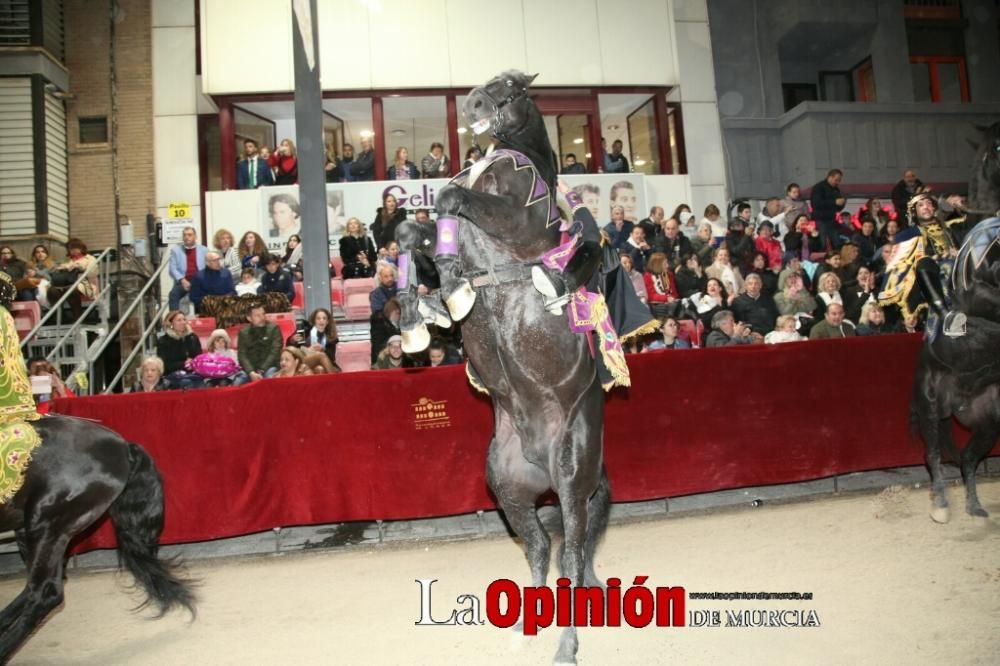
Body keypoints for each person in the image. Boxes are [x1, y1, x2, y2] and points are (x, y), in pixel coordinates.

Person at [878, 192, 966, 337]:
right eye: (921, 205)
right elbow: (901, 264)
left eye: (929, 204)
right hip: (927, 278)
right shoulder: (906, 235)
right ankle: (946, 316)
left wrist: (958, 253)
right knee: (924, 262)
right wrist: (937, 256)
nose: (926, 207)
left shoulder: (950, 230)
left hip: (956, 271)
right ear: (914, 212)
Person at [156, 310, 204, 390]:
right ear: (171, 323)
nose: (183, 322)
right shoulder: (164, 341)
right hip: (172, 375)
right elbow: (164, 364)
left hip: (193, 373)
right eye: (179, 320)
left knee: (200, 383)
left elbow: (199, 357)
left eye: (184, 319)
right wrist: (183, 364)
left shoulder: (193, 337)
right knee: (187, 383)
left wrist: (193, 362)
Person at [235, 303, 282, 384]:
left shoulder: (274, 329)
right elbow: (242, 355)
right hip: (250, 370)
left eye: (263, 314)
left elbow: (275, 352)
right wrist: (251, 372)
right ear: (249, 318)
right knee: (238, 381)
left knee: (270, 378)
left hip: (269, 367)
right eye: (257, 315)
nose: (262, 317)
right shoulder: (243, 332)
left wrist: (261, 370)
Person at [165, 227, 208, 312]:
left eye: (189, 235)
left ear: (195, 237)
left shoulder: (204, 250)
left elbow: (208, 266)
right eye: (184, 235)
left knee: (203, 296)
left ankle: (201, 321)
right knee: (173, 294)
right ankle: (174, 319)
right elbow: (172, 269)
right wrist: (182, 280)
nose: (186, 237)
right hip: (183, 281)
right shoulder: (176, 250)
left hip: (199, 282)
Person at [286, 307, 339, 374]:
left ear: (327, 322)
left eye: (324, 318)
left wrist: (323, 349)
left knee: (320, 369)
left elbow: (332, 358)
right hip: (304, 359)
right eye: (318, 318)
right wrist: (292, 340)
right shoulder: (305, 330)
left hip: (322, 363)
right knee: (321, 355)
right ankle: (336, 381)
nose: (321, 321)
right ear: (314, 320)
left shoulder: (330, 337)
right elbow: (290, 349)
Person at [809, 168, 847, 250]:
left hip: (831, 219)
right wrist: (834, 202)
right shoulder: (819, 187)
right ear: (829, 177)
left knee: (836, 241)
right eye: (836, 180)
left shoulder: (836, 189)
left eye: (839, 180)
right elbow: (816, 203)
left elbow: (837, 207)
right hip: (820, 219)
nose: (837, 182)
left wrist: (842, 203)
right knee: (822, 242)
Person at [643, 252, 679, 318]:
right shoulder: (647, 276)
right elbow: (651, 296)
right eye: (665, 264)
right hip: (657, 305)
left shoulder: (669, 274)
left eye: (667, 263)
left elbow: (674, 293)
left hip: (671, 303)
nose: (668, 266)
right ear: (657, 265)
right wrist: (666, 298)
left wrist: (673, 298)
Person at [369, 297, 401, 364]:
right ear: (390, 312)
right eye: (397, 313)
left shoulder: (396, 325)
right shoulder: (378, 324)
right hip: (382, 361)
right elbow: (378, 346)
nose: (399, 316)